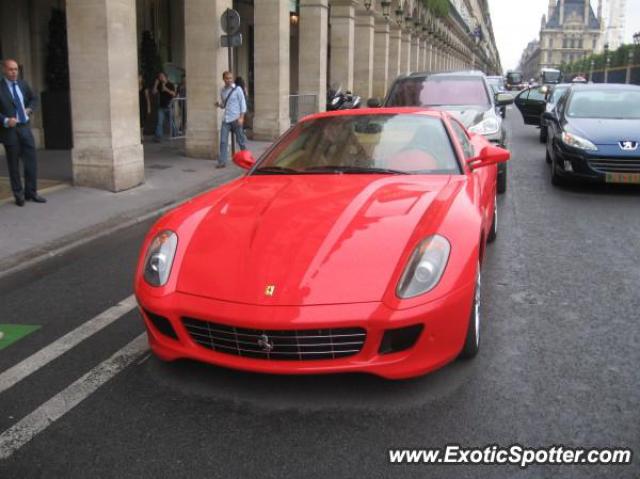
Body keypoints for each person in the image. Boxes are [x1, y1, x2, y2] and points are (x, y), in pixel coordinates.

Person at [0, 58, 46, 206]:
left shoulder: (23, 84)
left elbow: (34, 99)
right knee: (13, 165)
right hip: (10, 131)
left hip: (25, 128)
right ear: (4, 70)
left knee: (31, 162)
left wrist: (29, 109)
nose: (14, 72)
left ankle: (31, 193)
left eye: (16, 69)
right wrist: (5, 120)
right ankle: (18, 195)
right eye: (11, 70)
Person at [215, 71, 247, 168]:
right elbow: (224, 105)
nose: (229, 80)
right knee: (223, 141)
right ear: (223, 79)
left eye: (230, 78)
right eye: (227, 78)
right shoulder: (222, 91)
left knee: (241, 141)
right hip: (226, 119)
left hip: (236, 119)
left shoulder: (238, 89)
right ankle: (222, 162)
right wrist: (219, 105)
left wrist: (241, 118)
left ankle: (247, 159)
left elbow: (243, 105)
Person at [152, 71, 176, 142]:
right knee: (159, 122)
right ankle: (158, 137)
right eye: (159, 77)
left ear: (165, 77)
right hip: (161, 107)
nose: (160, 78)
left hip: (169, 106)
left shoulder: (170, 84)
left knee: (171, 121)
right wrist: (156, 84)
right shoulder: (159, 84)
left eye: (161, 76)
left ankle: (175, 133)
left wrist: (166, 89)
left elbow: (174, 94)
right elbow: (154, 92)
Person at [138, 74, 151, 138]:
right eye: (138, 77)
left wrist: (149, 107)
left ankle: (141, 134)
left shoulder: (144, 87)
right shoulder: (134, 86)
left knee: (142, 119)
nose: (139, 79)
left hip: (143, 105)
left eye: (140, 77)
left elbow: (147, 97)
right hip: (137, 105)